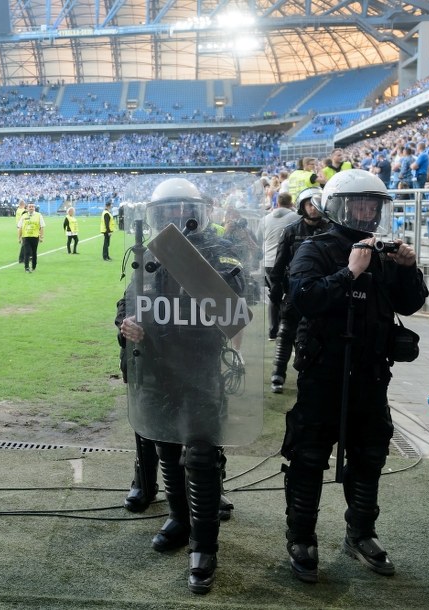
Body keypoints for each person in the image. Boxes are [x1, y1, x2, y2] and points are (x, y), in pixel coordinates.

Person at [283, 171, 428, 583]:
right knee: (309, 456)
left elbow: (411, 303)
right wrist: (349, 273)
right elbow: (303, 299)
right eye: (358, 204)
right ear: (338, 206)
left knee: (370, 455)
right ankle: (301, 537)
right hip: (323, 372)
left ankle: (361, 532)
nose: (366, 212)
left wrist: (407, 268)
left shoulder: (384, 250)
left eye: (372, 205)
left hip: (370, 372)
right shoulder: (316, 248)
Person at [117, 177, 251, 594]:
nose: (174, 217)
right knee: (165, 445)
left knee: (200, 453)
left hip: (199, 367)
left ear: (197, 211)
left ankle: (204, 545)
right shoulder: (150, 252)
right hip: (157, 366)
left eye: (181, 209)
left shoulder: (219, 252)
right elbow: (128, 300)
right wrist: (126, 324)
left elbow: (235, 313)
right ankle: (177, 517)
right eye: (167, 211)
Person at [267, 187, 329, 393]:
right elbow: (280, 261)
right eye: (309, 204)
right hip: (294, 290)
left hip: (322, 291)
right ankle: (278, 374)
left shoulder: (331, 230)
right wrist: (275, 286)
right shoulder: (291, 230)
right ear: (302, 206)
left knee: (319, 335)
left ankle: (312, 377)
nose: (313, 208)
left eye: (316, 203)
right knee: (286, 332)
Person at [259, 192, 296, 340]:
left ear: (277, 203)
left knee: (274, 297)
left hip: (269, 262)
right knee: (289, 296)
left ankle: (273, 331)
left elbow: (258, 237)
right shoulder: (295, 218)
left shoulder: (265, 219)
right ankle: (285, 329)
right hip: (286, 262)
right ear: (291, 203)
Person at [18, 203, 44, 273]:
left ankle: (34, 266)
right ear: (27, 208)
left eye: (32, 207)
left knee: (34, 252)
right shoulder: (23, 216)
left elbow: (42, 227)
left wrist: (41, 237)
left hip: (35, 237)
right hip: (26, 237)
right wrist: (19, 237)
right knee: (27, 252)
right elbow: (20, 227)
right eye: (30, 207)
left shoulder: (39, 215)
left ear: (34, 208)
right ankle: (26, 267)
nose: (31, 208)